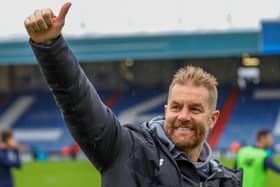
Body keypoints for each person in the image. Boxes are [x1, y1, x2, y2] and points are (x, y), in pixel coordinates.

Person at [24, 2, 242, 186]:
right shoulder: (127, 149)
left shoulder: (224, 181)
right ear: (166, 110)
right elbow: (78, 102)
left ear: (213, 118)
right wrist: (50, 47)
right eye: (176, 107)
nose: (183, 116)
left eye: (195, 109)